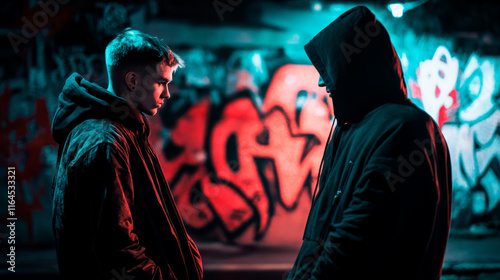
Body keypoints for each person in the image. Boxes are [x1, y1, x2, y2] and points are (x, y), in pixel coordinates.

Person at [287, 6, 451, 280]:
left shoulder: (404, 130)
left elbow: (354, 243)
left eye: (331, 68)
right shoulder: (354, 126)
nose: (320, 82)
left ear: (357, 67)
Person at [51, 29, 203, 280]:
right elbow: (116, 248)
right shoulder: (106, 141)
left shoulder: (123, 130)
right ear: (132, 81)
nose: (167, 94)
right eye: (161, 83)